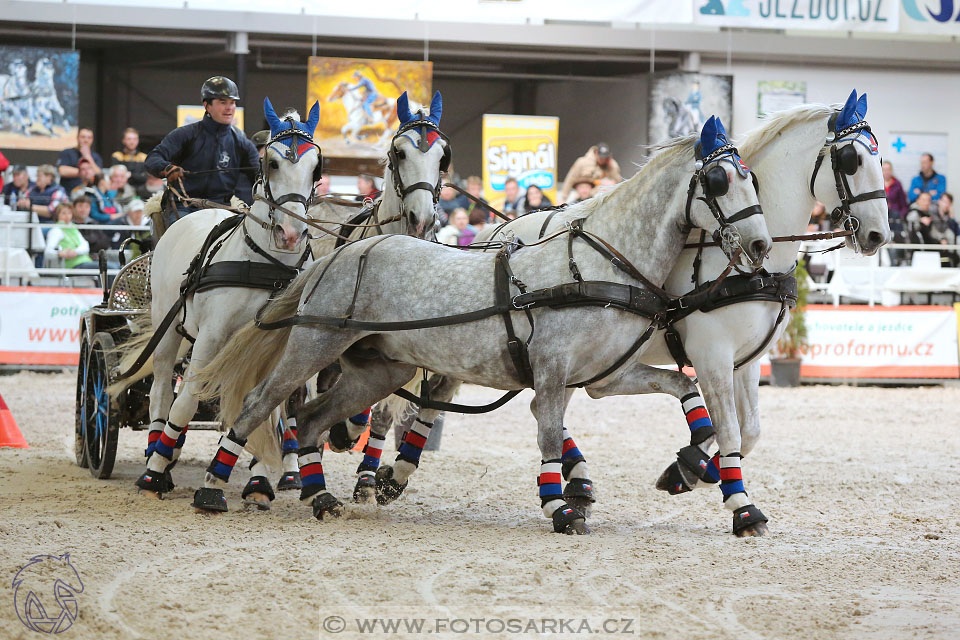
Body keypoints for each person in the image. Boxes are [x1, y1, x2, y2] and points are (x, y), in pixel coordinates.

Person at [145, 76, 258, 226]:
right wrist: (167, 169)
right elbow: (153, 158)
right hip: (184, 206)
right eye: (223, 102)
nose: (229, 108)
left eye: (232, 103)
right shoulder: (185, 134)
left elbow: (258, 176)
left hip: (224, 208)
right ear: (207, 105)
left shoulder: (243, 143)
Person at [44, 203, 91, 269]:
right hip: (71, 266)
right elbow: (48, 252)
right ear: (57, 215)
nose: (67, 216)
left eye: (69, 213)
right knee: (108, 268)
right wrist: (60, 253)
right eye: (63, 213)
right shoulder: (56, 230)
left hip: (85, 261)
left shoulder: (73, 227)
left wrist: (75, 252)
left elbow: (86, 246)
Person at [57, 127, 103, 194]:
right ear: (77, 138)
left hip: (90, 194)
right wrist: (86, 173)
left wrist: (88, 157)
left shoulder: (95, 157)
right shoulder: (67, 152)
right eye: (83, 137)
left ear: (92, 140)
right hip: (68, 193)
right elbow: (62, 171)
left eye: (89, 137)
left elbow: (99, 174)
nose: (86, 140)